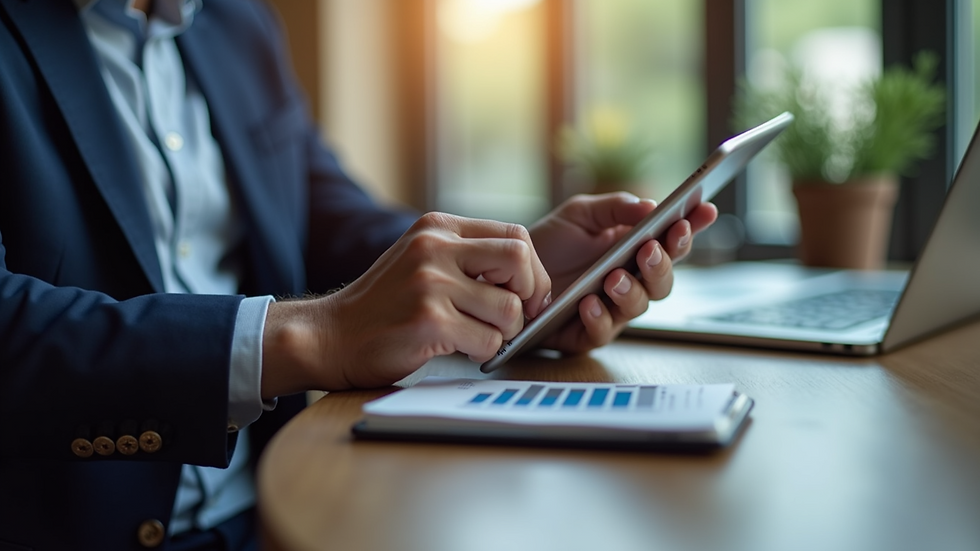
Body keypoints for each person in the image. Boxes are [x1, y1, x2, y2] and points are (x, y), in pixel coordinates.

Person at [0, 0, 717, 549]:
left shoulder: (234, 22)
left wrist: (508, 270)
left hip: (277, 515)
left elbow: (323, 214)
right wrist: (317, 334)